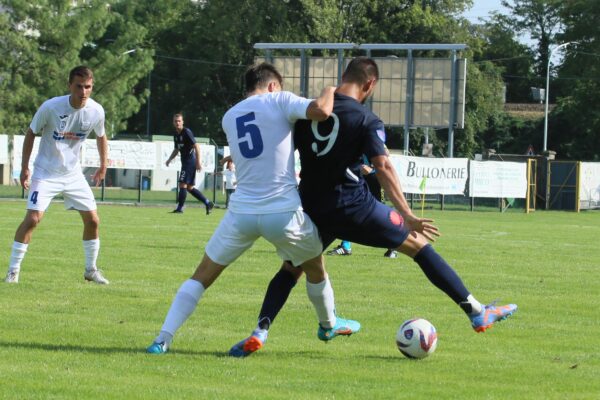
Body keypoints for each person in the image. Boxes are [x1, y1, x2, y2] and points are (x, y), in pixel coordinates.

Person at [229, 57, 517, 358]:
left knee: (291, 269)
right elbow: (383, 166)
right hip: (354, 207)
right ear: (370, 84)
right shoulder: (366, 120)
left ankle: (260, 331)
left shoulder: (307, 112)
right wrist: (407, 214)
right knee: (419, 246)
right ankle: (476, 311)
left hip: (312, 207)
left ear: (343, 76)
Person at [146, 62, 359, 354]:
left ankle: (162, 339)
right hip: (282, 211)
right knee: (315, 268)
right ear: (272, 85)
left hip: (241, 212)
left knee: (201, 276)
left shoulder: (229, 116)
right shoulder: (279, 99)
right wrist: (330, 89)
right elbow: (322, 110)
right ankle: (328, 323)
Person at [4, 66, 109, 284]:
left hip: (72, 174)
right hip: (45, 172)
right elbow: (31, 133)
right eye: (79, 86)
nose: (83, 91)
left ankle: (91, 269)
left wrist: (103, 165)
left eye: (88, 87)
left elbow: (101, 136)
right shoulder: (51, 107)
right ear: (70, 85)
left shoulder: (96, 111)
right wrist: (25, 168)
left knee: (93, 220)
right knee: (33, 219)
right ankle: (13, 272)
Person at [327, 162, 398, 258]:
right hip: (358, 179)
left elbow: (384, 153)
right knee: (348, 211)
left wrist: (371, 167)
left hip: (374, 180)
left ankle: (393, 247)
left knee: (380, 216)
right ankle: (346, 246)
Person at [165, 113, 214, 215]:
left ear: (182, 122)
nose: (177, 123)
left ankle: (180, 208)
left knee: (182, 184)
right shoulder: (176, 135)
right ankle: (208, 202)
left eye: (179, 121)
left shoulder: (186, 132)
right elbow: (177, 149)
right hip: (185, 162)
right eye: (175, 121)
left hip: (190, 162)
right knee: (189, 188)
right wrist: (169, 159)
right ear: (173, 122)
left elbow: (197, 146)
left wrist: (198, 162)